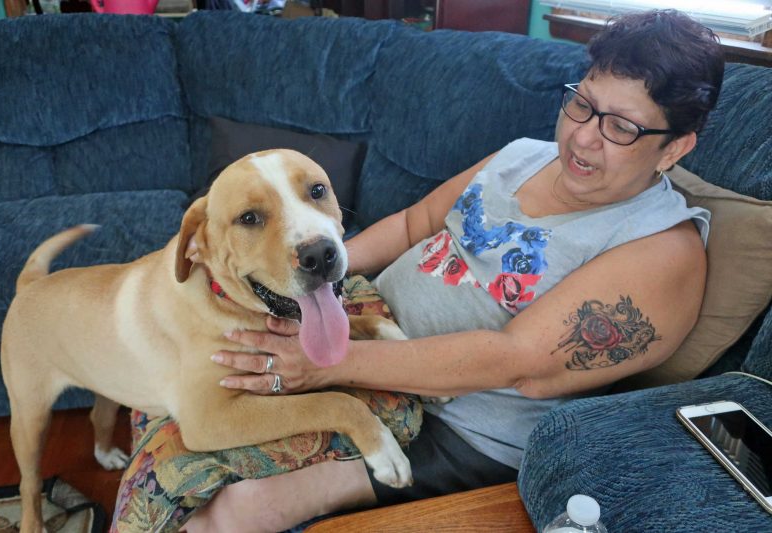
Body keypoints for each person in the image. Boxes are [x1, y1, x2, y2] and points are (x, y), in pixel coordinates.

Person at [183, 9, 725, 532]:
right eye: (582, 104)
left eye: (621, 128)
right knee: (195, 402)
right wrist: (320, 274)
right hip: (364, 335)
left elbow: (518, 365)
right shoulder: (522, 156)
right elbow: (414, 222)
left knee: (242, 505)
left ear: (674, 148)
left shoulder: (662, 251)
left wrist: (324, 364)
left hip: (458, 432)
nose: (583, 137)